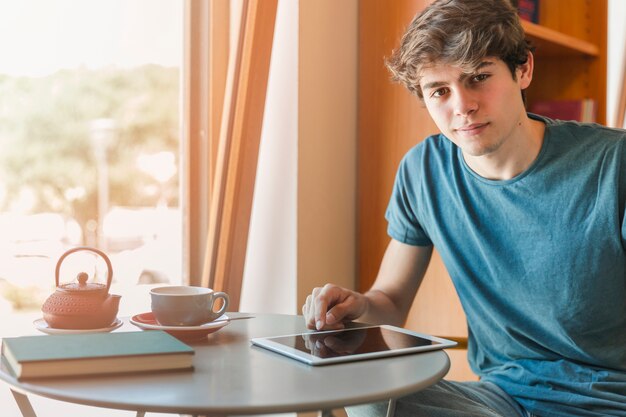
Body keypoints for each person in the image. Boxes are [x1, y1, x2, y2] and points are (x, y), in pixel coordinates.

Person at [301, 0, 626, 416]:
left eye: (478, 77)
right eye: (440, 90)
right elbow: (391, 300)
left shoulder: (613, 166)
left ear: (523, 69)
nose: (462, 105)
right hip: (497, 400)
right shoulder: (424, 170)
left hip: (607, 401)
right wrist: (358, 306)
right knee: (366, 392)